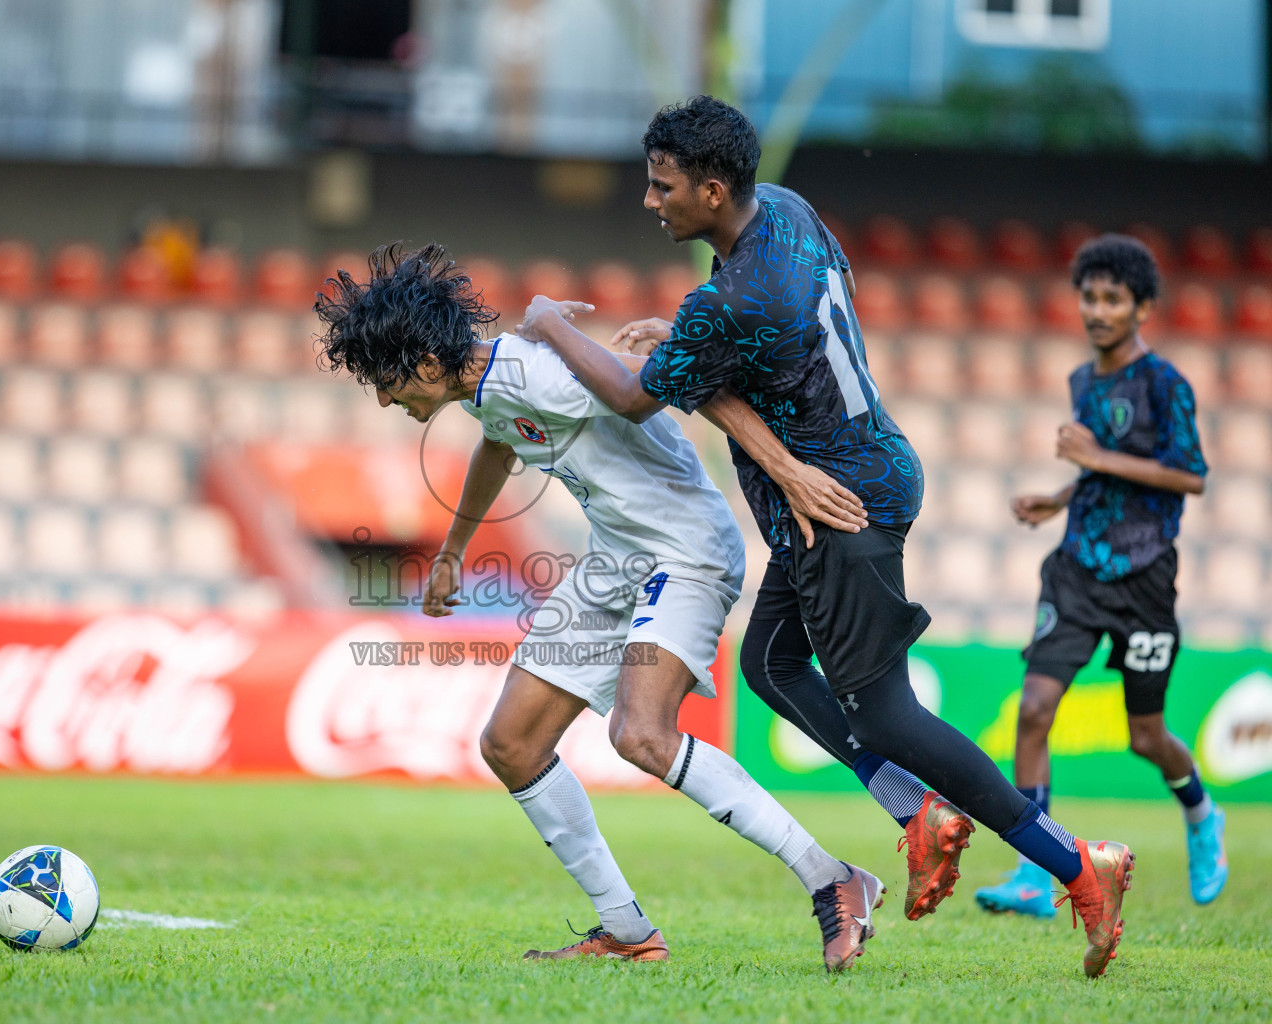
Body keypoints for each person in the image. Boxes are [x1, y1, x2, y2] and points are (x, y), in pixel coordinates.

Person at [515, 95, 1132, 978]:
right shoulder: (788, 215)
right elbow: (740, 355)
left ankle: (1077, 865)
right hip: (858, 472)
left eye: (662, 186)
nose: (651, 201)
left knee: (887, 713)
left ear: (713, 188)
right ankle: (918, 813)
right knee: (769, 663)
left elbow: (631, 396)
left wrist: (544, 324)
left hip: (840, 511)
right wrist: (684, 346)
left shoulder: (730, 304)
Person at [315, 241, 886, 972]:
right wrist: (454, 551)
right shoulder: (492, 385)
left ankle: (833, 878)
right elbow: (498, 444)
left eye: (385, 382)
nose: (386, 400)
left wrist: (552, 322)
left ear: (425, 364)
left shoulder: (531, 372)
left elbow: (638, 390)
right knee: (511, 742)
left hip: (683, 552)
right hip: (616, 559)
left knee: (641, 735)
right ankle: (624, 928)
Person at [976, 235, 1225, 916]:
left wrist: (1097, 459)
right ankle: (1033, 872)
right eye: (1089, 296)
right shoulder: (1084, 381)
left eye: (1113, 298)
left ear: (1142, 306)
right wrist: (1055, 498)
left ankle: (1203, 815)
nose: (1097, 309)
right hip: (1076, 568)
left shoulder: (1165, 383)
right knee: (1033, 710)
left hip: (1145, 577)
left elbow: (1190, 477)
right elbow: (1100, 465)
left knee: (1145, 735)